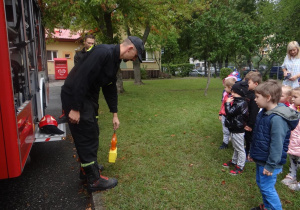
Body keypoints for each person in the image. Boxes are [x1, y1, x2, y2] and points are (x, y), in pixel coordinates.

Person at [61, 36, 144, 192]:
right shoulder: (103, 52)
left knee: (92, 132)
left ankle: (87, 169)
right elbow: (81, 78)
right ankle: (94, 180)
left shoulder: (114, 60)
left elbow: (109, 87)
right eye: (134, 56)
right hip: (76, 96)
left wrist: (115, 113)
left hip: (88, 97)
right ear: (130, 49)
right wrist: (75, 108)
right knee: (86, 136)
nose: (133, 60)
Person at [249, 80, 299, 210]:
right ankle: (267, 207)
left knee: (267, 188)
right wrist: (252, 153)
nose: (254, 100)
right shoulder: (264, 112)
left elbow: (277, 145)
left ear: (268, 97)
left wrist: (271, 165)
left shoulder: (277, 119)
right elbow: (259, 136)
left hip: (270, 162)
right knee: (262, 184)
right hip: (262, 158)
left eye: (257, 97)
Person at [222, 81, 249, 175]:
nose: (231, 93)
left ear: (240, 93)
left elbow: (229, 112)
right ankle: (234, 161)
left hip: (238, 129)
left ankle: (240, 166)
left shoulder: (241, 103)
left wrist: (227, 103)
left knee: (240, 148)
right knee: (236, 146)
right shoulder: (238, 101)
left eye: (234, 92)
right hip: (234, 128)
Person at [281, 87, 300, 191]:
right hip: (292, 140)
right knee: (292, 158)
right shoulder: (291, 109)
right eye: (292, 96)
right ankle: (292, 175)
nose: (292, 99)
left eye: (295, 97)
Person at [244, 71, 262, 158]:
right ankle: (247, 150)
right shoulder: (249, 93)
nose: (246, 84)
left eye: (248, 82)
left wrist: (250, 124)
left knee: (250, 138)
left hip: (251, 123)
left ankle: (250, 153)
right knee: (247, 137)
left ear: (256, 84)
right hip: (247, 121)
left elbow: (254, 112)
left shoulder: (255, 97)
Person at [218, 77, 236, 149]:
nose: (224, 89)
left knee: (232, 131)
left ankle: (235, 144)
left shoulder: (235, 97)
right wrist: (220, 114)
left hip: (231, 117)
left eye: (225, 87)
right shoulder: (226, 95)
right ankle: (225, 143)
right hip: (224, 116)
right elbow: (223, 105)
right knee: (225, 130)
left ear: (230, 87)